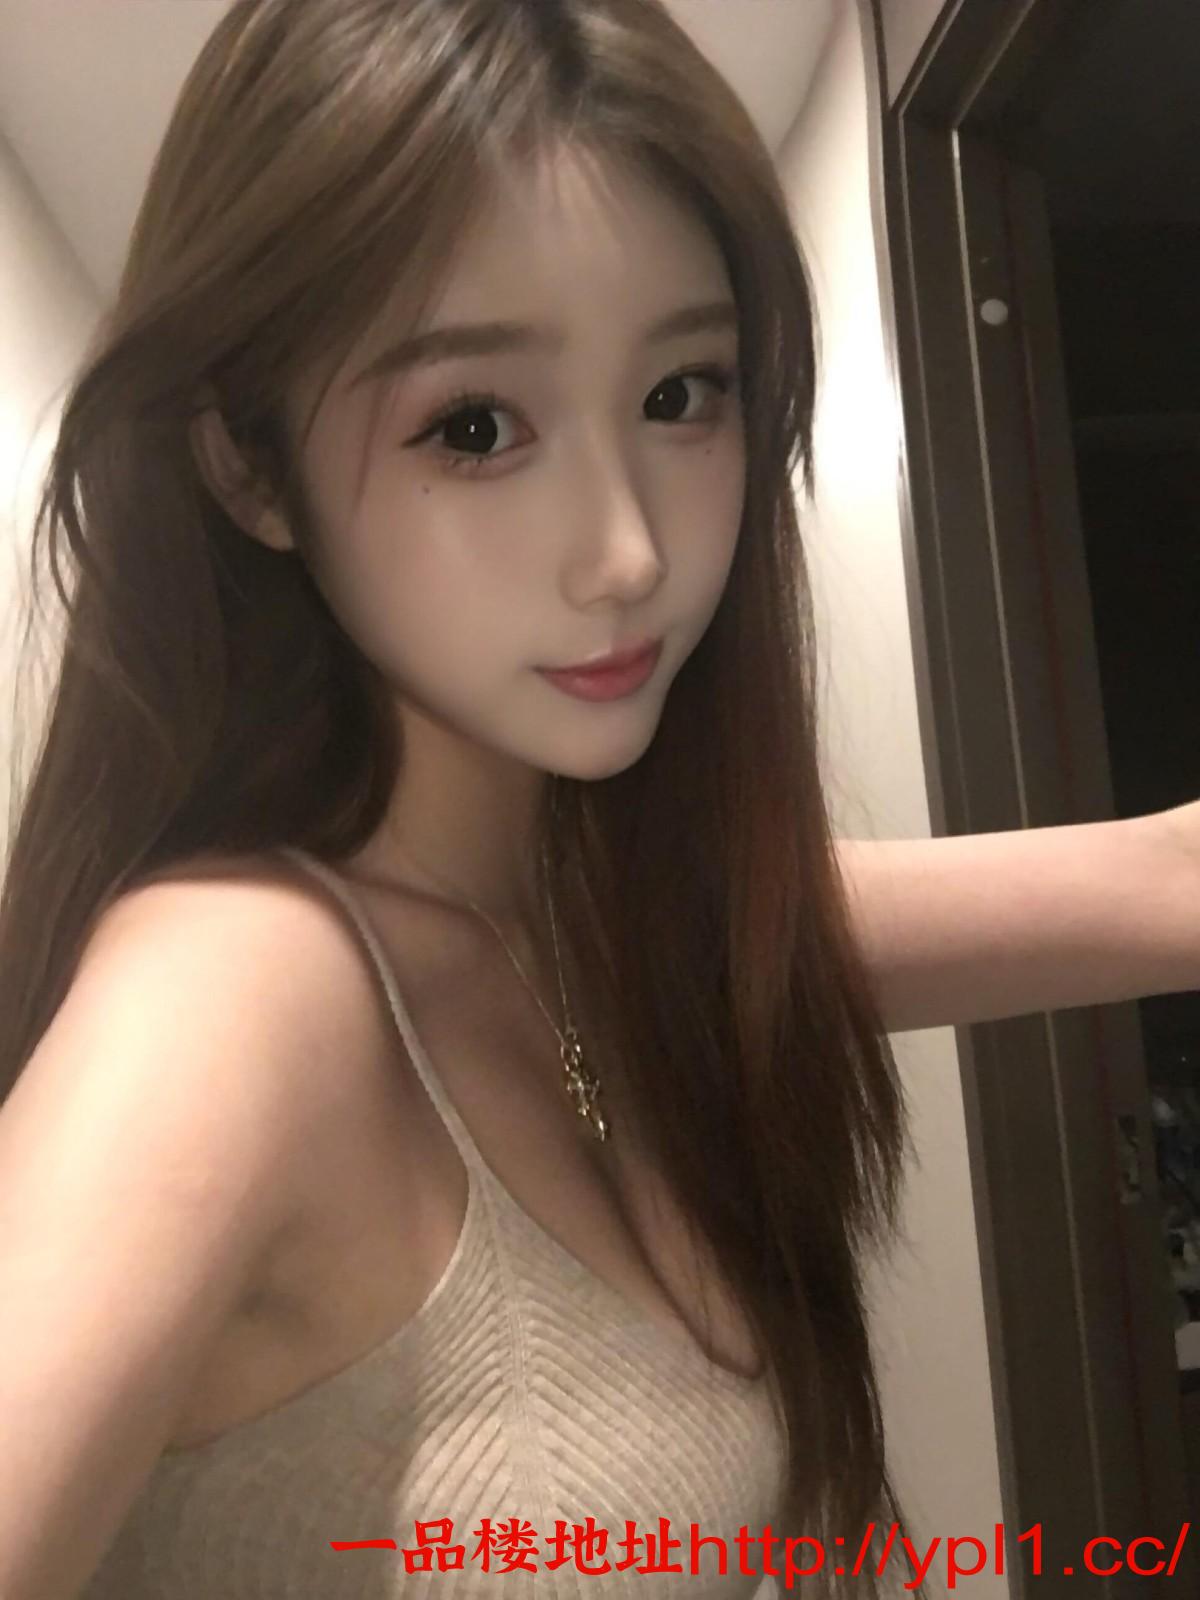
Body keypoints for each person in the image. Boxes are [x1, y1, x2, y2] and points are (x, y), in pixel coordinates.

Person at [1, 1, 1197, 1596]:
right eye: (475, 427)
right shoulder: (234, 988)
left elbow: (1169, 880)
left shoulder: (620, 920)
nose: (630, 552)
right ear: (250, 468)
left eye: (683, 394)